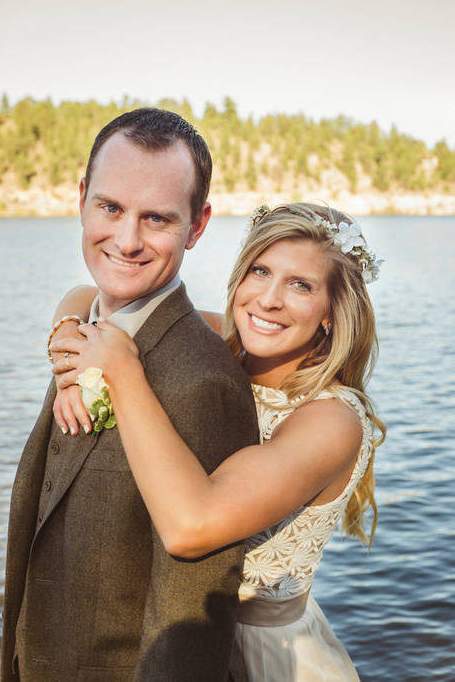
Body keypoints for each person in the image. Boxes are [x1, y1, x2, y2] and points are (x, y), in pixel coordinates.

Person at [50, 202, 385, 681]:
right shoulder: (223, 343)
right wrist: (68, 352)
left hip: (266, 656)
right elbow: (87, 295)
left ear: (332, 311)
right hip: (166, 630)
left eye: (300, 285)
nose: (268, 299)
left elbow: (191, 528)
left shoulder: (331, 420)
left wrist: (123, 373)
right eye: (260, 271)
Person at [1, 108, 260, 682]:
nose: (127, 240)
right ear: (81, 198)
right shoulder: (82, 333)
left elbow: (189, 615)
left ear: (196, 226)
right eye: (110, 207)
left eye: (157, 219)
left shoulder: (204, 382)